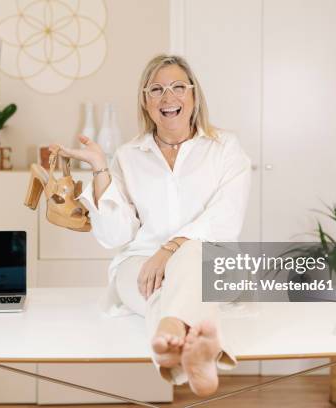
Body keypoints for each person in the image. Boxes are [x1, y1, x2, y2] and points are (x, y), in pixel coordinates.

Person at [51, 54, 251, 396]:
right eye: (156, 89)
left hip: (205, 259)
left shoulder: (225, 148)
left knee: (192, 254)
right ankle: (195, 348)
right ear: (145, 102)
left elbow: (226, 217)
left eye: (177, 87)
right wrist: (100, 168)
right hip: (140, 266)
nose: (167, 97)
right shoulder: (128, 156)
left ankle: (169, 337)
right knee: (156, 281)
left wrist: (169, 249)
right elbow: (116, 236)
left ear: (193, 96)